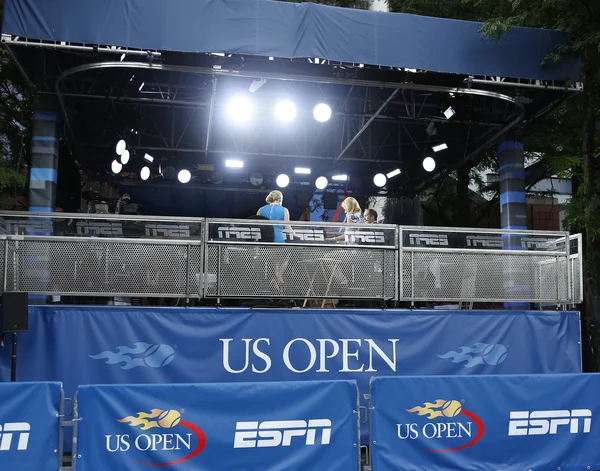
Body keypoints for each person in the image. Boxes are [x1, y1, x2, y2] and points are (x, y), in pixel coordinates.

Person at [257, 190, 291, 285]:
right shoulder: (284, 210)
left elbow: (256, 226)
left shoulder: (261, 209)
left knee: (273, 257)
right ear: (280, 199)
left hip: (265, 241)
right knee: (287, 255)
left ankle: (274, 275)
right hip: (278, 240)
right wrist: (295, 233)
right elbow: (288, 228)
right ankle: (279, 274)